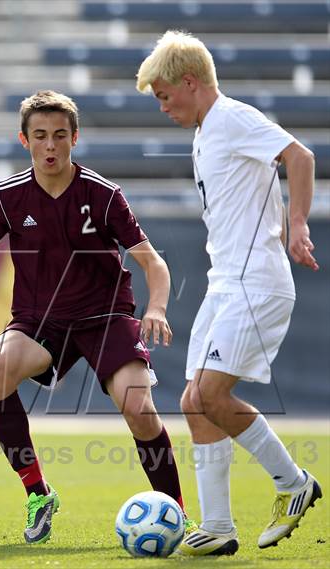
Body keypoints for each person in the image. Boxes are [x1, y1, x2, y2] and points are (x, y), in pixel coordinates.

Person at [0, 90, 192, 545]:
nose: (50, 145)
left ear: (74, 138)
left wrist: (156, 307)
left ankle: (177, 515)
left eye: (59, 135)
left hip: (105, 316)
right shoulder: (6, 196)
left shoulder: (103, 196)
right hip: (39, 320)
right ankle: (38, 493)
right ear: (23, 140)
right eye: (40, 135)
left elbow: (152, 262)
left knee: (139, 409)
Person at [136, 31, 322, 556]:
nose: (163, 107)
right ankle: (218, 526)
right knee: (193, 402)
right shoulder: (204, 130)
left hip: (257, 283)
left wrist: (298, 224)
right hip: (225, 284)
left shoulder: (232, 117)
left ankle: (292, 484)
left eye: (165, 96)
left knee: (212, 395)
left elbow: (300, 155)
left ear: (190, 83)